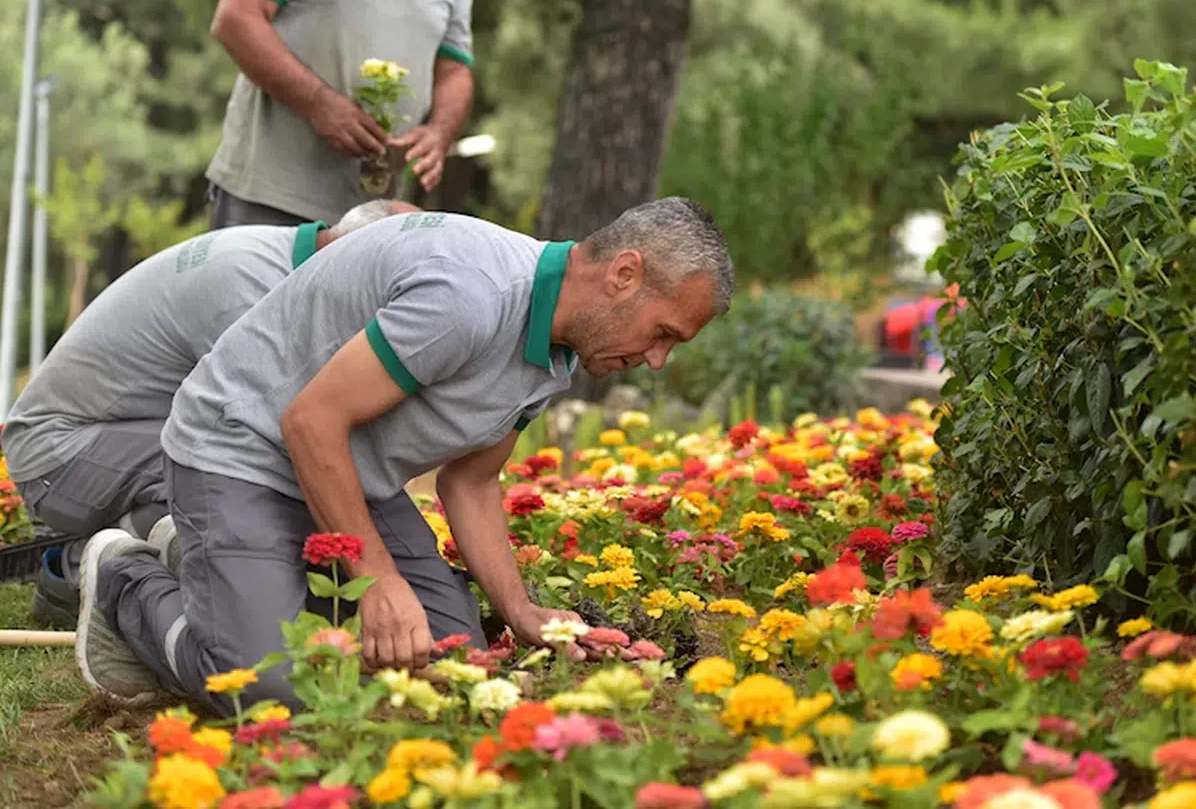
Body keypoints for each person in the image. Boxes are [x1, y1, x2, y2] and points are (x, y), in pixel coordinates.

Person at [77, 197, 734, 713]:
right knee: (268, 690)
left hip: (344, 474)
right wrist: (382, 582)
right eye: (663, 334)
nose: (655, 361)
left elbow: (471, 483)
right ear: (625, 274)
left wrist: (520, 610)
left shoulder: (558, 348)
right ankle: (124, 578)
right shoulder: (468, 296)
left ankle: (218, 569)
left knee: (449, 661)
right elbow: (310, 421)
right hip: (239, 448)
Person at [2, 199, 419, 629]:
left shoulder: (290, 261)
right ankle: (75, 570)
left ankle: (106, 548)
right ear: (356, 258)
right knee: (244, 470)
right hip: (59, 452)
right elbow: (278, 441)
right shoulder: (252, 293)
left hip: (106, 438)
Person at [203, 0, 476, 229]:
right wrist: (318, 103)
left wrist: (439, 132)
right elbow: (236, 19)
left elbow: (454, 73)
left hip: (373, 218)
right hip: (268, 197)